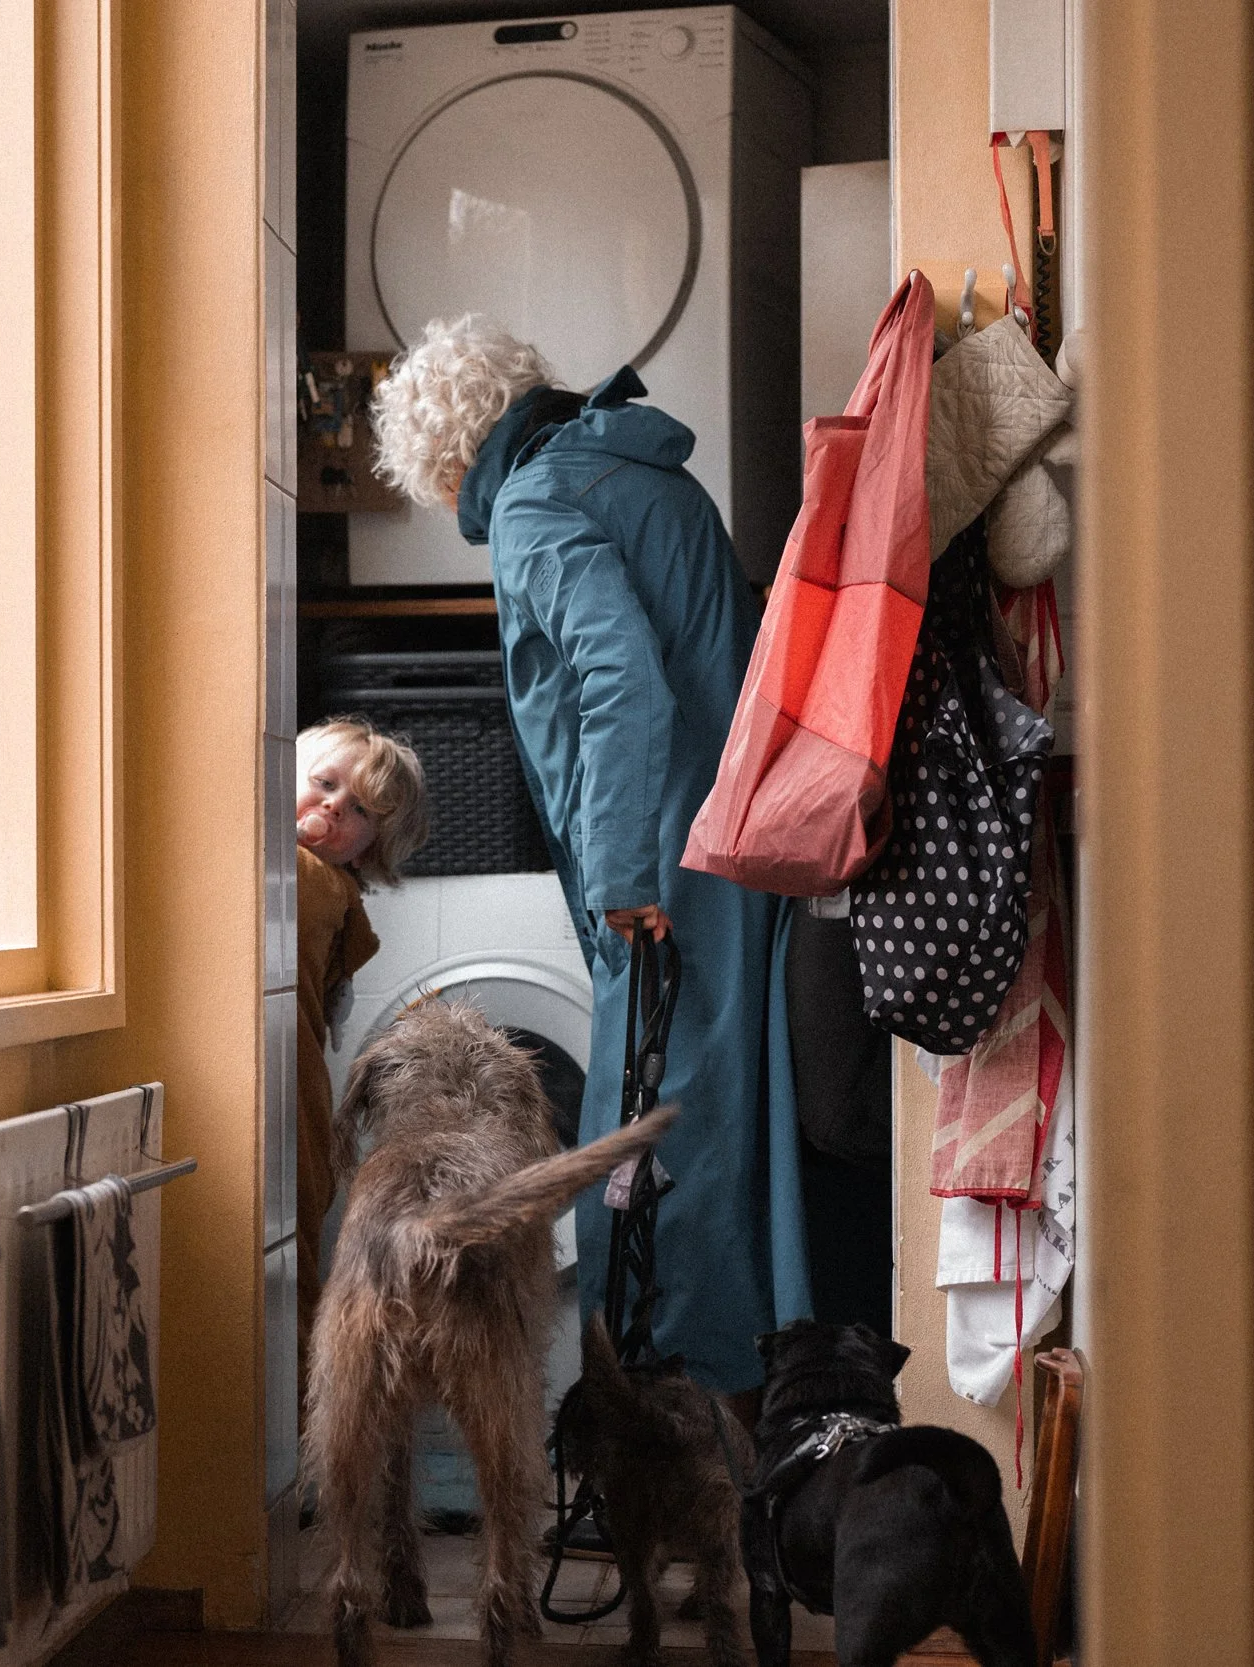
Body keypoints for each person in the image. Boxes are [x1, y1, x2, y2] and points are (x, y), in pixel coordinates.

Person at [367, 315, 809, 1397]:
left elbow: (621, 681)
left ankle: (666, 1418)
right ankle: (734, 1416)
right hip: (726, 842)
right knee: (715, 1136)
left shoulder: (532, 501)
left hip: (662, 870)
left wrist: (617, 875)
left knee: (652, 1147)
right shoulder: (622, 463)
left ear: (443, 456)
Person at [291, 717, 427, 1392]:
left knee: (294, 1266)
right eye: (322, 784)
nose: (332, 808)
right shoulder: (320, 885)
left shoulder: (314, 881)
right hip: (302, 1084)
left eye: (358, 812)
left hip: (301, 1090)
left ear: (371, 846)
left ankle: (301, 1418)